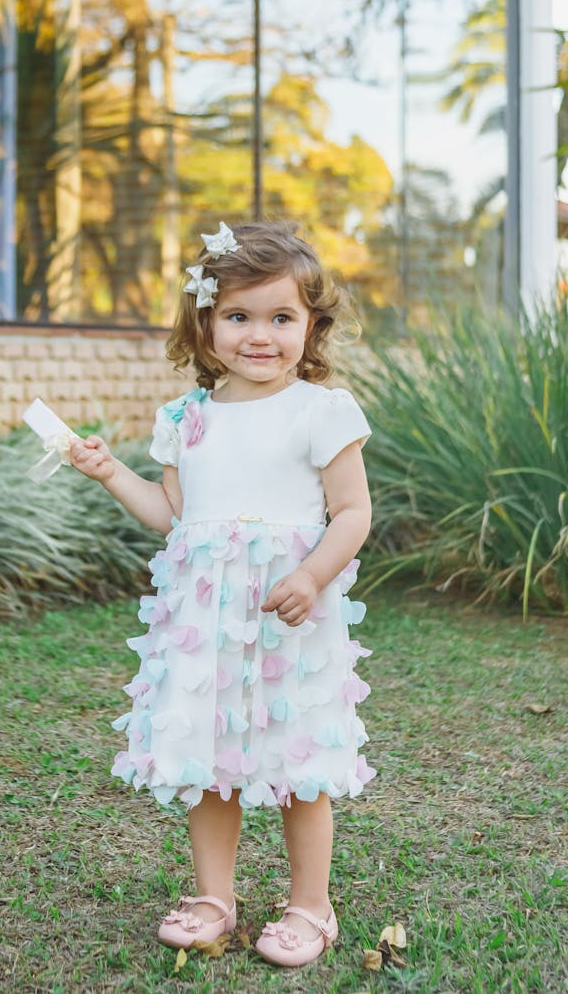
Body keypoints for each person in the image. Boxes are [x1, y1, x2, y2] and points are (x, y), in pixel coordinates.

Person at [70, 221, 374, 968]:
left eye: (282, 317)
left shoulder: (320, 410)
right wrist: (112, 473)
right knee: (211, 764)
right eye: (239, 316)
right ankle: (215, 897)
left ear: (311, 324)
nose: (260, 335)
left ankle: (311, 904)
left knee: (299, 766)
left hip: (286, 615)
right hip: (206, 622)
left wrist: (310, 574)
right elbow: (177, 517)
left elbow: (355, 512)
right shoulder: (186, 419)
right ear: (205, 324)